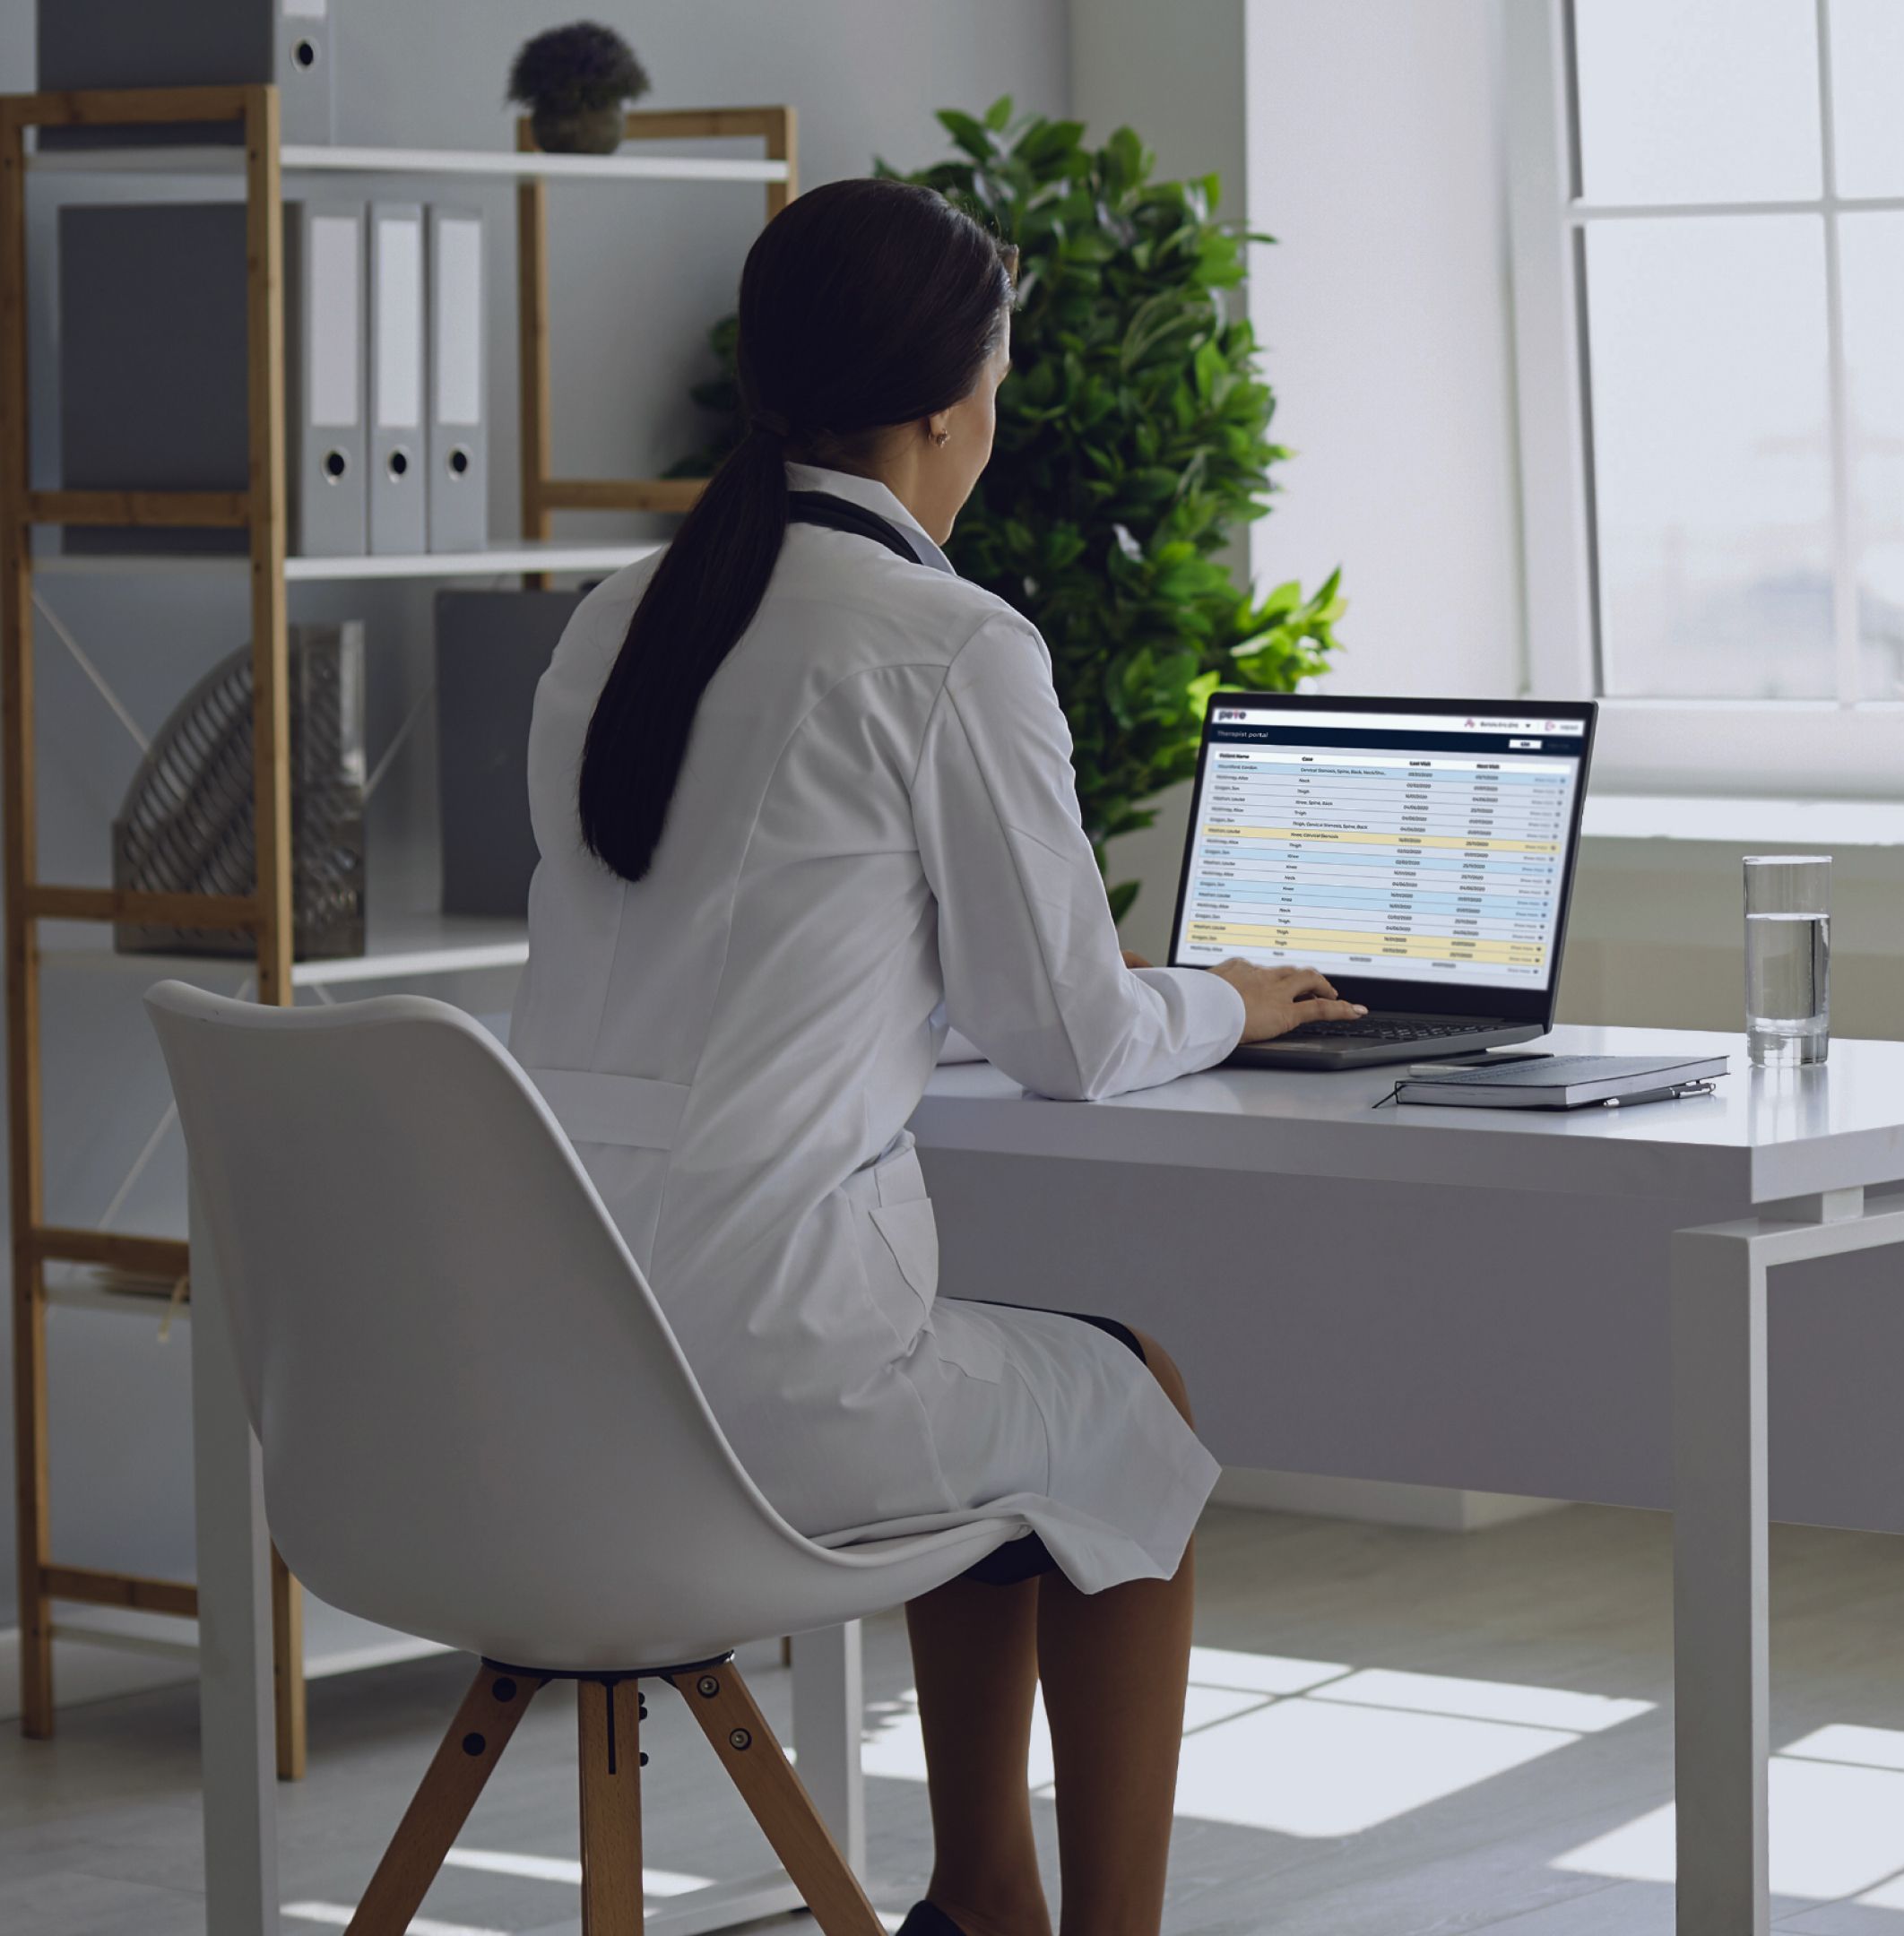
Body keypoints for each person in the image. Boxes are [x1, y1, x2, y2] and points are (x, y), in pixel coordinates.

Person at [507, 177, 1358, 1936]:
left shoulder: (619, 619)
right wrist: (1228, 996)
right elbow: (1071, 1041)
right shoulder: (947, 641)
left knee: (1020, 1404)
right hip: (760, 1387)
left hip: (543, 1385)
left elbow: (738, 947)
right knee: (1127, 1398)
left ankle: (983, 1901)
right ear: (951, 403)